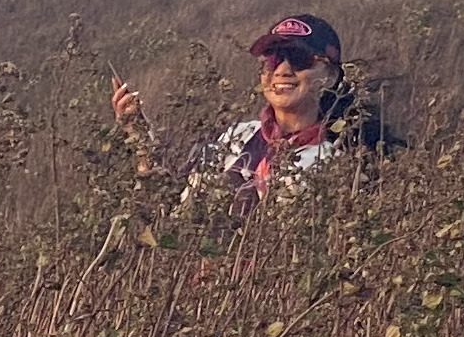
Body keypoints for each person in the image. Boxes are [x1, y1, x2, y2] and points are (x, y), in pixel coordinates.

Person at [112, 14, 403, 214]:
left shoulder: (341, 161)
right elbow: (174, 210)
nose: (282, 70)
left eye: (299, 59)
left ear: (329, 75)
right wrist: (141, 141)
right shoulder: (236, 137)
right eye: (272, 59)